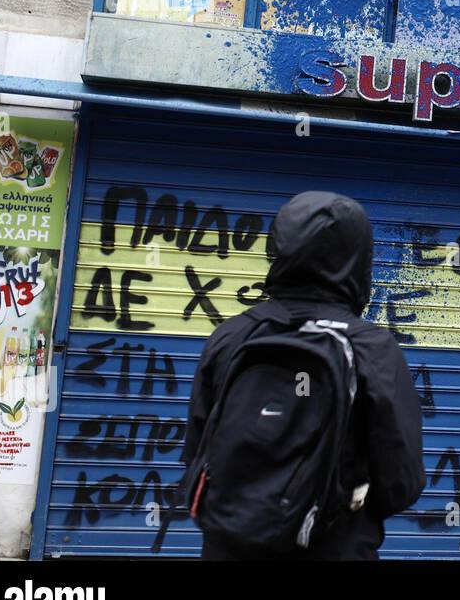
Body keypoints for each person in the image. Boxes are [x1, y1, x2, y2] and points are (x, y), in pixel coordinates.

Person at [181, 191, 425, 560]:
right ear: (359, 259)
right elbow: (401, 483)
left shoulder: (231, 336)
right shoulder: (371, 348)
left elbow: (197, 452)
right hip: (335, 546)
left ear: (278, 246)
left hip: (228, 545)